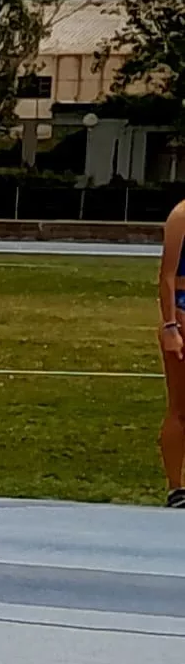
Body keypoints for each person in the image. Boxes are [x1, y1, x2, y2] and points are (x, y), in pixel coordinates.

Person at [157, 198, 185, 507]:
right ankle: (176, 488)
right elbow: (166, 275)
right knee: (180, 405)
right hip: (183, 311)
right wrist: (170, 326)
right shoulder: (181, 216)